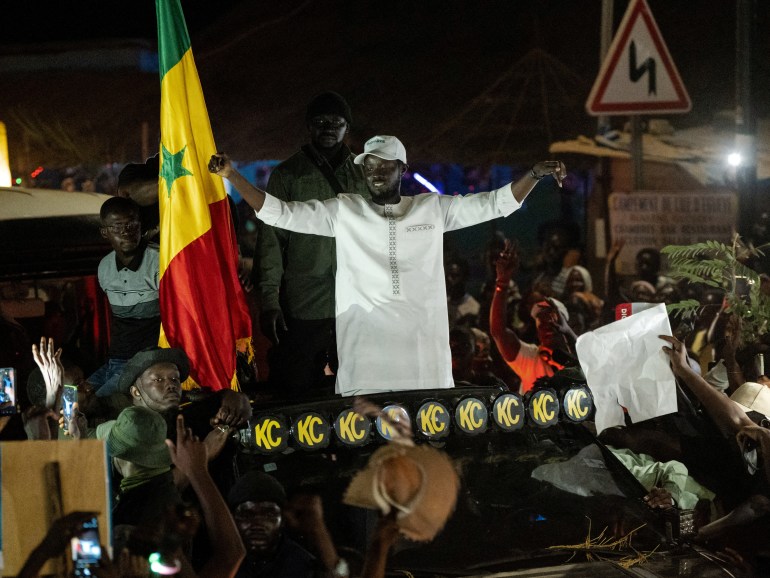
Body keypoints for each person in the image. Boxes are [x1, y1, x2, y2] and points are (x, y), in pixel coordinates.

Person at [209, 137, 565, 395]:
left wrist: (533, 174)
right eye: (369, 165)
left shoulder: (432, 209)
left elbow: (494, 203)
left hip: (424, 361)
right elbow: (282, 213)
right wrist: (232, 176)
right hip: (366, 362)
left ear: (403, 169)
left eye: (384, 164)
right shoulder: (344, 210)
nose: (376, 171)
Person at [257, 92, 370, 397]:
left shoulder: (365, 173)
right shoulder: (287, 175)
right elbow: (271, 243)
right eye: (320, 122)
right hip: (305, 300)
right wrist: (269, 302)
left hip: (357, 298)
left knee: (359, 386)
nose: (328, 128)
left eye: (337, 122)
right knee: (298, 385)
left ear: (348, 127)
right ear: (309, 126)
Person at [87, 196, 161, 397]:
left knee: (97, 402)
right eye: (118, 227)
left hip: (145, 360)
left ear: (140, 225)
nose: (126, 232)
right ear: (105, 232)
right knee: (73, 395)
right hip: (116, 357)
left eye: (131, 225)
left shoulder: (158, 262)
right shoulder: (105, 267)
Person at [490, 240, 577, 393]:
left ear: (565, 324)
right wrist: (502, 283)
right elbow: (498, 332)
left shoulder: (581, 359)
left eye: (551, 318)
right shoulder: (531, 358)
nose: (546, 325)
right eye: (541, 322)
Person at [227, 470, 345, 578]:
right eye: (247, 515)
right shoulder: (223, 558)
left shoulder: (298, 561)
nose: (258, 523)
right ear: (232, 519)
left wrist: (319, 531)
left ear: (282, 519)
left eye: (269, 514)